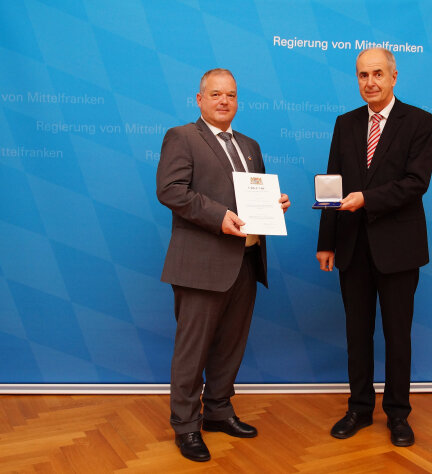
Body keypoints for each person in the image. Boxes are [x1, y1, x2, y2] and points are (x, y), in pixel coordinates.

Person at [156, 68, 290, 462]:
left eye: (230, 95)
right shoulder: (182, 137)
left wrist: (274, 204)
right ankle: (185, 426)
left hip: (245, 261)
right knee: (191, 350)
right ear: (199, 99)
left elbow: (253, 196)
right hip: (200, 263)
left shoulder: (249, 145)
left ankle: (217, 410)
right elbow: (171, 190)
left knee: (231, 346)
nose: (223, 101)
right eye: (215, 94)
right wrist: (220, 217)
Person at [316, 48, 432, 447]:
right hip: (352, 247)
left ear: (394, 76)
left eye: (378, 74)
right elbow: (332, 185)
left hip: (398, 249)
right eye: (363, 75)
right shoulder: (345, 123)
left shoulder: (418, 121)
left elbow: (416, 182)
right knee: (357, 333)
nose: (370, 82)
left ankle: (398, 415)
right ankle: (359, 408)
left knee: (398, 336)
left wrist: (366, 198)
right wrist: (326, 242)